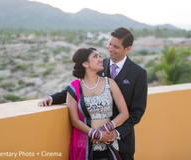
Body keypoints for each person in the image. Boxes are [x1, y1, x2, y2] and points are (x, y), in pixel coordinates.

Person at [38, 27, 148, 160]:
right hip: (92, 140)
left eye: (116, 47)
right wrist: (51, 98)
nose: (110, 49)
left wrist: (115, 133)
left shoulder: (138, 73)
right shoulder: (99, 65)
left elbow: (137, 112)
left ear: (127, 49)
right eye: (109, 44)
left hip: (122, 141)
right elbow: (78, 89)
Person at [65, 47, 129, 160]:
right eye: (95, 57)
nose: (100, 59)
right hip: (85, 144)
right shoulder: (73, 88)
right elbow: (75, 121)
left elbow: (124, 113)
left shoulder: (110, 83)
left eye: (99, 56)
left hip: (108, 142)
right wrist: (97, 135)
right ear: (85, 64)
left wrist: (103, 131)